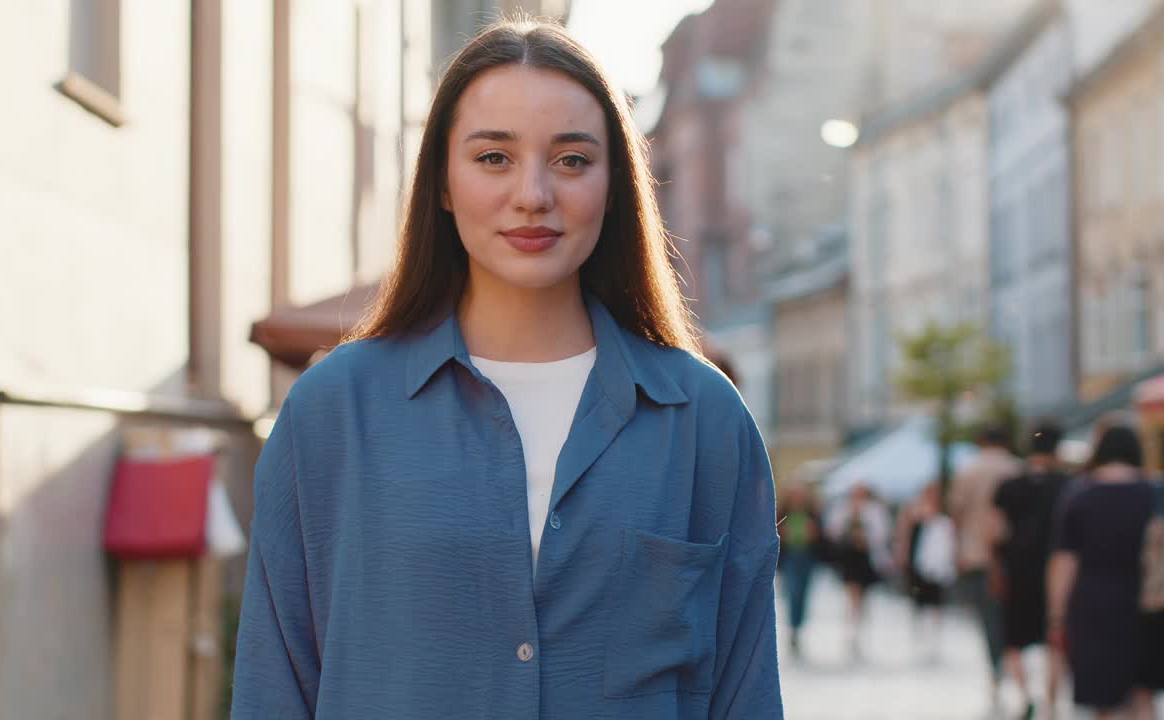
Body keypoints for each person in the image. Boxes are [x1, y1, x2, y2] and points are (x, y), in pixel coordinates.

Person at [229, 18, 783, 719]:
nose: (533, 195)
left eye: (572, 160)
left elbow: (745, 690)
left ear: (615, 186)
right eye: (493, 157)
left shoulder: (705, 422)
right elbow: (273, 690)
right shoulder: (331, 413)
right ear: (442, 182)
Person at [1048, 426, 1162, 719]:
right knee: (1142, 692)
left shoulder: (1080, 495)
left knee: (1104, 697)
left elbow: (1065, 561)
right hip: (1147, 603)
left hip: (1093, 604)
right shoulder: (1155, 493)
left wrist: (1057, 614)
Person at [992, 421, 1071, 720]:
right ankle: (1051, 702)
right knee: (1055, 639)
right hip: (1057, 572)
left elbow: (995, 530)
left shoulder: (1009, 486)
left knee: (1014, 641)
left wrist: (996, 567)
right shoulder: (1068, 486)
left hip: (1017, 571)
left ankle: (1027, 696)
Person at [949, 425, 1022, 703]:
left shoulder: (969, 470)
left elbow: (956, 513)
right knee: (1009, 614)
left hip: (976, 552)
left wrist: (958, 548)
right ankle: (1009, 665)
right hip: (1012, 555)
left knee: (988, 616)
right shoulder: (1016, 468)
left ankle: (996, 667)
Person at [825, 483, 891, 660]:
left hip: (866, 558)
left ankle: (858, 630)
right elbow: (833, 531)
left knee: (862, 597)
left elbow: (881, 534)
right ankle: (852, 632)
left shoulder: (874, 510)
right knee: (852, 594)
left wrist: (865, 538)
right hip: (849, 558)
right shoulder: (843, 509)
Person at [894, 483, 956, 664]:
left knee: (936, 603)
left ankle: (934, 640)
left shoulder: (943, 521)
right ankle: (921, 638)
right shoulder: (914, 518)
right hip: (919, 565)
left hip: (937, 566)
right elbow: (905, 538)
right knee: (919, 603)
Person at [777, 482, 821, 658]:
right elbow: (773, 532)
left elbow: (822, 536)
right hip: (789, 557)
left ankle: (798, 626)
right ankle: (793, 628)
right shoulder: (783, 514)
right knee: (793, 592)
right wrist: (782, 533)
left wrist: (814, 533)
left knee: (803, 593)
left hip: (806, 557)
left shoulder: (812, 514)